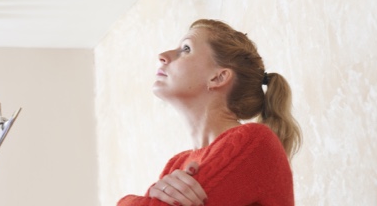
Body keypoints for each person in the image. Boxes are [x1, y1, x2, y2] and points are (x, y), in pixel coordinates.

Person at [118, 19, 302, 206]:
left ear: (218, 77)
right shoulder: (177, 163)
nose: (163, 56)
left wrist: (136, 199)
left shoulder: (252, 140)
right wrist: (151, 195)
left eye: (186, 49)